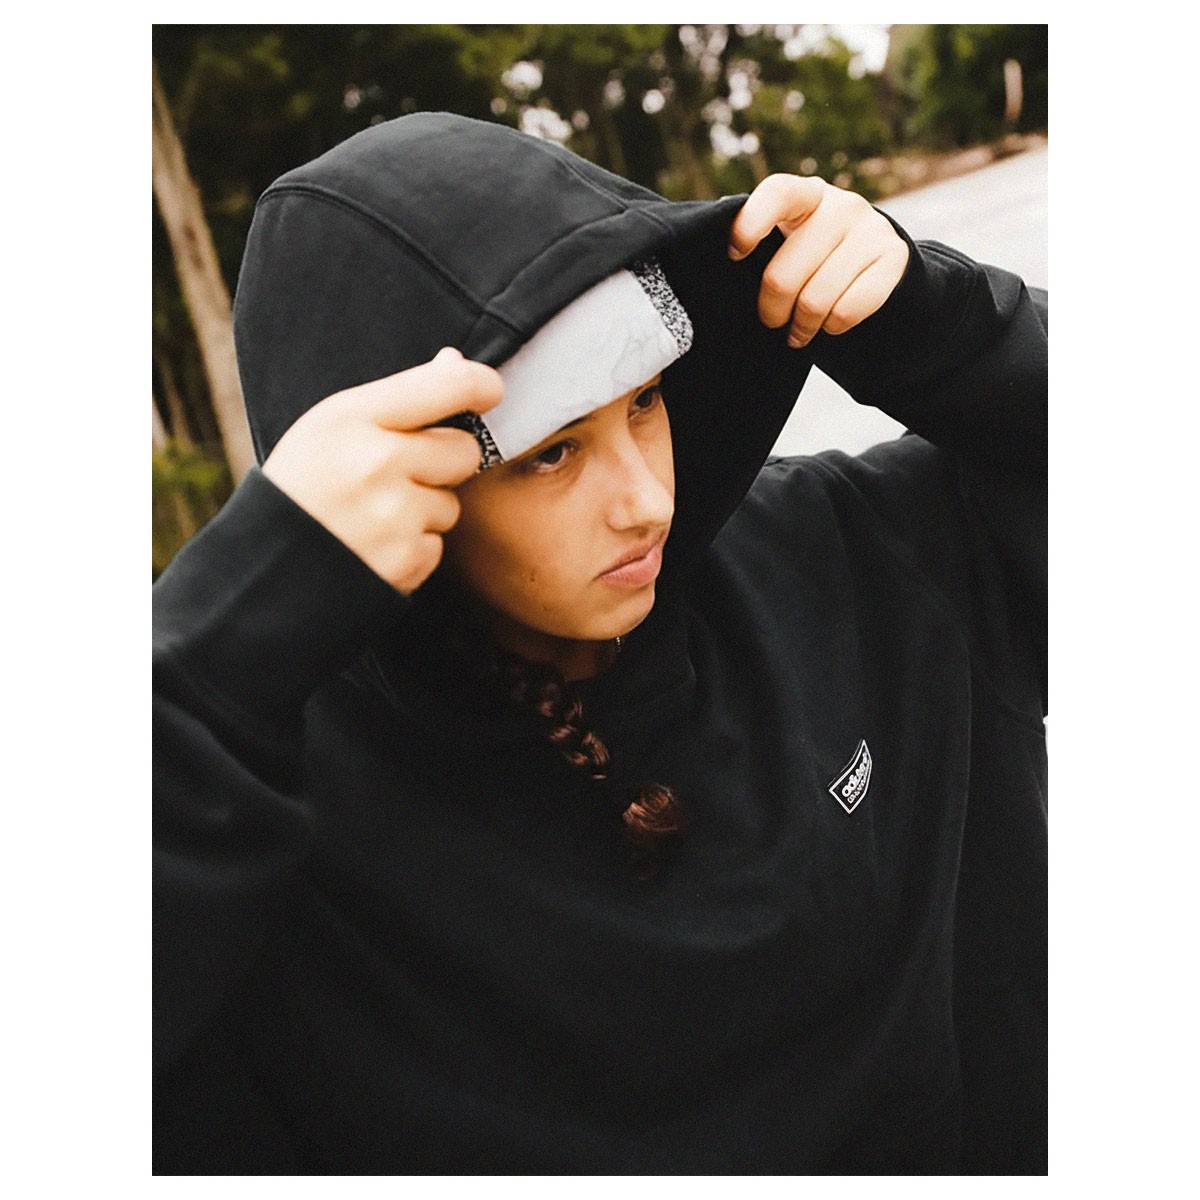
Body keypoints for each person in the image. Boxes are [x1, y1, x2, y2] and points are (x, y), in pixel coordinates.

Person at [153, 111, 1046, 1175]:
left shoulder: (851, 554)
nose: (644, 500)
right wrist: (222, 645)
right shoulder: (269, 814)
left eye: (647, 400)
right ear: (401, 484)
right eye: (553, 452)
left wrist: (953, 329)